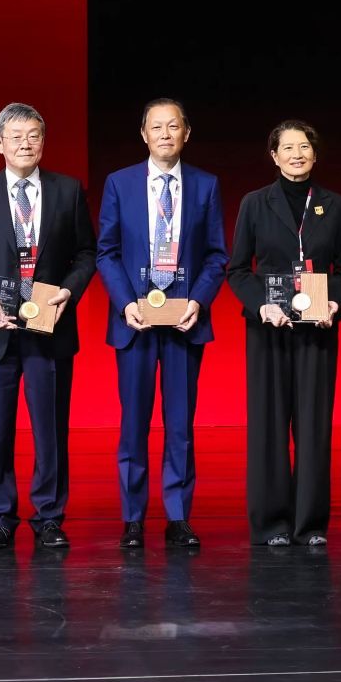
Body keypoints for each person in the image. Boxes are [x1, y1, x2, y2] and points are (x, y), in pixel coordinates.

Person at [0, 102, 96, 551]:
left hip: (50, 328)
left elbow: (86, 254)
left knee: (50, 430)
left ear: (43, 141)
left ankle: (49, 516)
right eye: (15, 136)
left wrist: (69, 291)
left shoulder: (68, 190)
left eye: (33, 135)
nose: (25, 144)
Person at [97, 98, 228, 550]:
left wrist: (198, 300)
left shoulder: (206, 185)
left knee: (180, 425)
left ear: (186, 133)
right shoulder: (120, 183)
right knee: (133, 423)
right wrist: (124, 304)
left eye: (174, 126)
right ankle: (133, 518)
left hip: (183, 321)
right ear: (144, 134)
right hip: (135, 321)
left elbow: (217, 255)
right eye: (157, 127)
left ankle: (177, 516)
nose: (166, 134)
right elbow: (106, 252)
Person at [226, 120, 341, 547]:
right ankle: (272, 524)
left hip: (317, 328)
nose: (297, 155)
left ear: (315, 155)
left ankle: (310, 524)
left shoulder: (333, 204)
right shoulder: (254, 202)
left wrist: (334, 302)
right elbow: (237, 269)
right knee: (267, 425)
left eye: (304, 147)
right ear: (274, 155)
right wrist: (260, 305)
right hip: (268, 328)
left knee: (314, 426)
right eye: (288, 148)